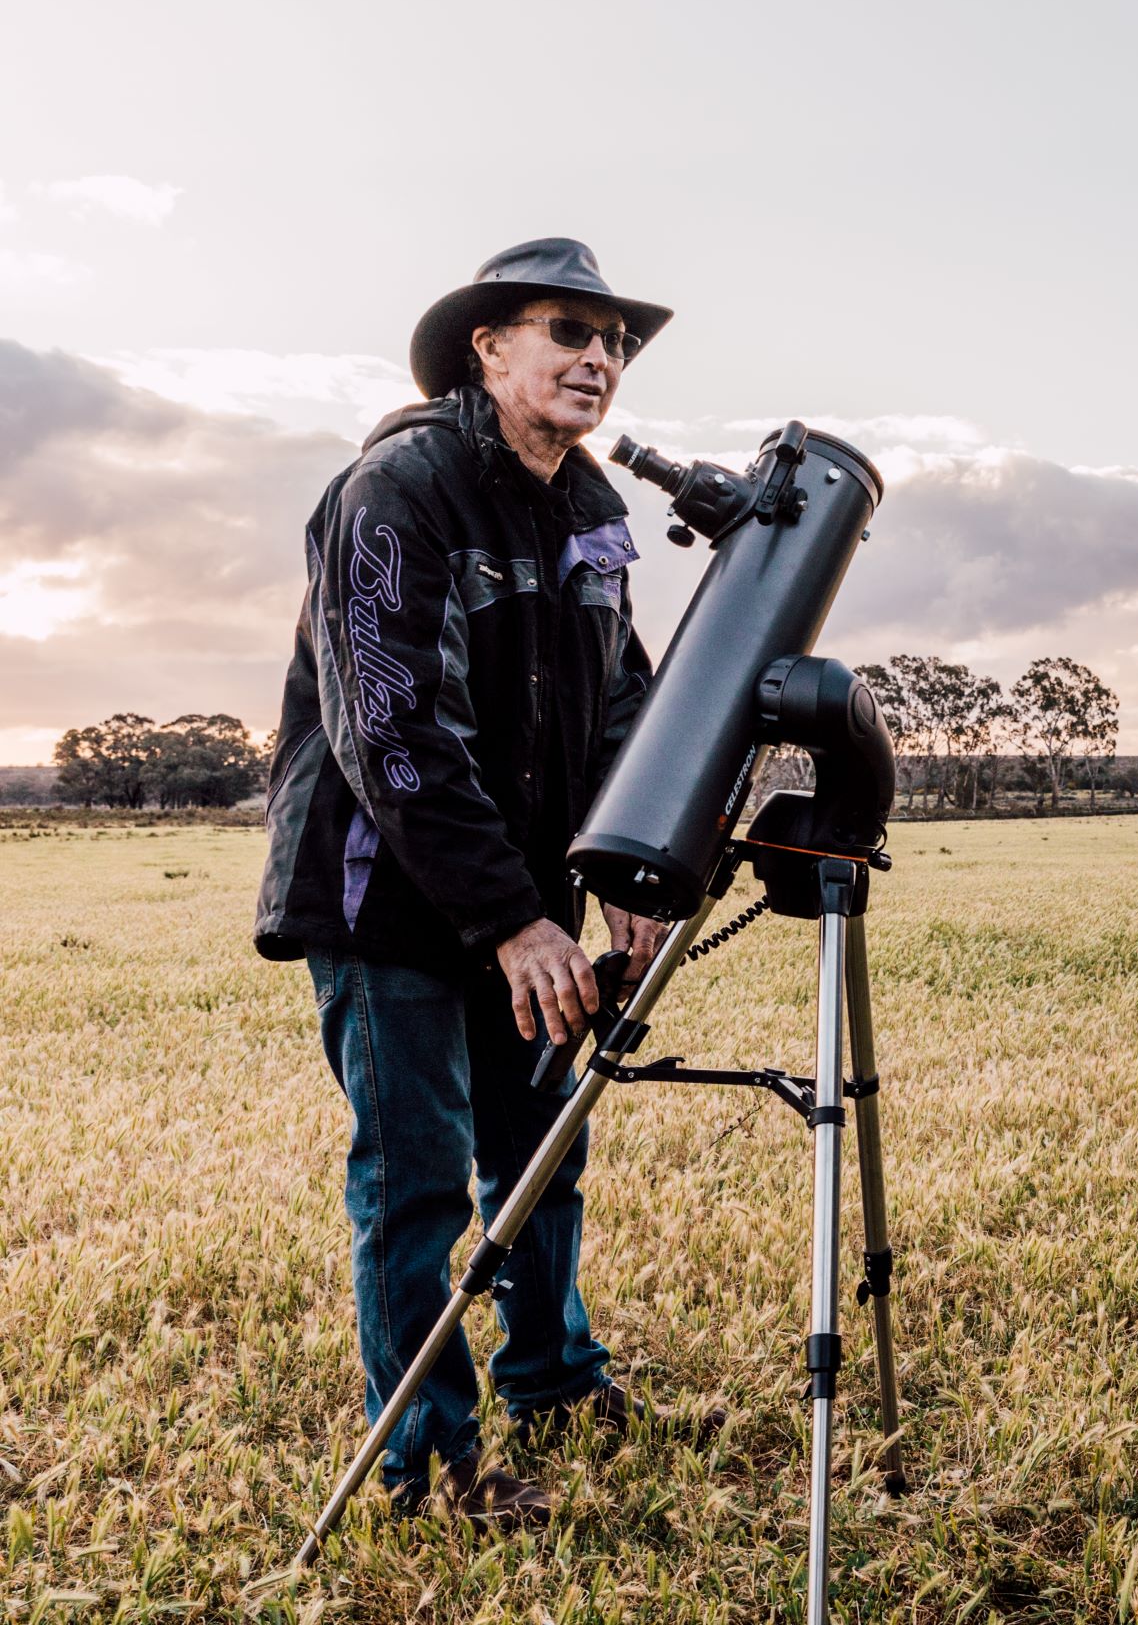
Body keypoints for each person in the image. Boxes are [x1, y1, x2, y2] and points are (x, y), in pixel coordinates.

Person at [254, 239, 705, 1525]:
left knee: (541, 1155)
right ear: (487, 349)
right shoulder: (396, 489)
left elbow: (623, 700)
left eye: (614, 342)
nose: (599, 359)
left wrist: (632, 860)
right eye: (567, 331)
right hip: (386, 898)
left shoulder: (592, 511)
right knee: (417, 1181)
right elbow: (391, 729)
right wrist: (513, 919)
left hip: (525, 901)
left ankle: (558, 1381)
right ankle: (427, 1462)